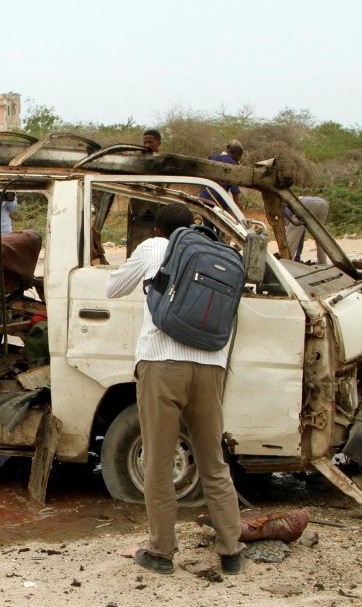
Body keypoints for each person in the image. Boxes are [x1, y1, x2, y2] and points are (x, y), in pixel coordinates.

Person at [105, 203, 244, 576]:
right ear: (193, 227)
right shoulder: (220, 253)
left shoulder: (153, 248)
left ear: (158, 230)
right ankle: (231, 551)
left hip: (161, 363)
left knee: (159, 461)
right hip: (211, 364)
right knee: (212, 460)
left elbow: (112, 288)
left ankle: (162, 552)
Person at [284, 196, 330, 263]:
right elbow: (301, 234)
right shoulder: (293, 201)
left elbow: (297, 235)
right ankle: (323, 262)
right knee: (320, 235)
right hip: (323, 203)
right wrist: (298, 255)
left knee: (291, 236)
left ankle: (286, 261)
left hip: (306, 204)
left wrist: (298, 256)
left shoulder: (286, 209)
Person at [202, 142, 243, 208]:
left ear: (228, 150)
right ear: (237, 154)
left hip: (204, 196)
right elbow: (235, 191)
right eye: (240, 156)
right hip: (219, 201)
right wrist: (237, 209)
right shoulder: (234, 165)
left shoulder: (212, 157)